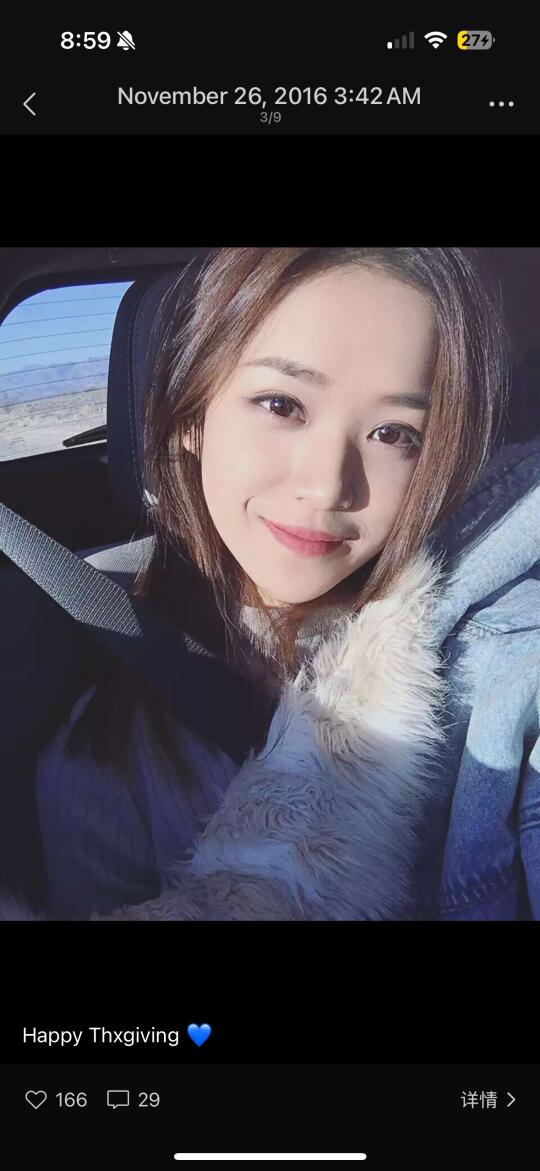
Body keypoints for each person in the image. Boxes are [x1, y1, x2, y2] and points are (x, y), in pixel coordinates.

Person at [5, 246, 540, 921]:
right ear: (192, 415)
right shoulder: (99, 762)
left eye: (394, 433)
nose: (329, 485)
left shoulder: (493, 643)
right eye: (282, 404)